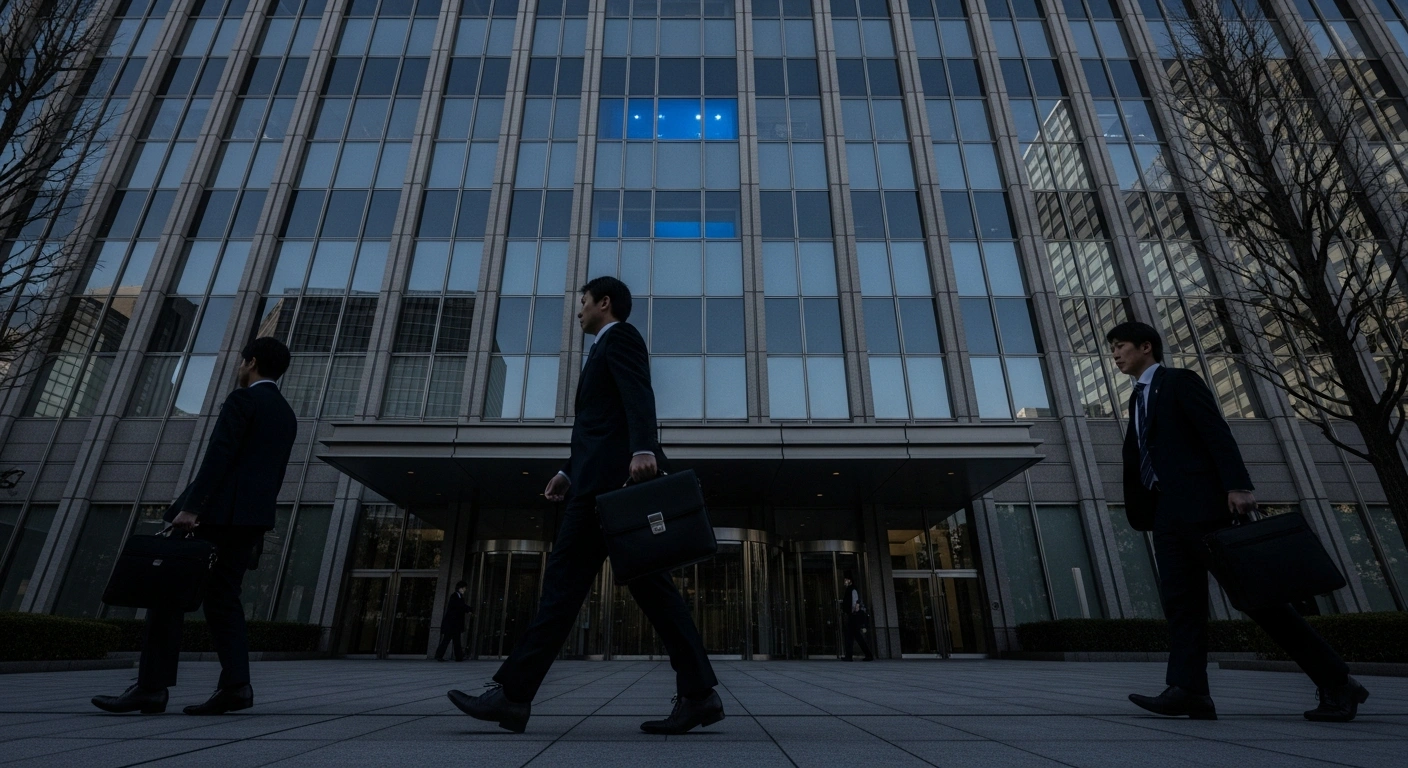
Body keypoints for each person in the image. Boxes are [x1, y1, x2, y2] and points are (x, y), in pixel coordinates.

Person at [447, 276, 721, 735]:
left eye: (583, 302)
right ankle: (699, 695)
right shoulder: (599, 349)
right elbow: (598, 426)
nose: (578, 311)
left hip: (610, 493)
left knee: (564, 593)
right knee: (649, 594)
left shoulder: (622, 338)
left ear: (604, 303)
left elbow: (638, 395)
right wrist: (568, 472)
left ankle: (513, 697)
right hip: (595, 484)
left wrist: (644, 449)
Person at [1108, 321, 1368, 722]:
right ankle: (1189, 689)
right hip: (1166, 513)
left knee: (1260, 601)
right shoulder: (1136, 398)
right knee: (1181, 605)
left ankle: (1338, 682)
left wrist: (1238, 485)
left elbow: (1215, 432)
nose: (1115, 354)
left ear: (1147, 346)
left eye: (1121, 346)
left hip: (1204, 508)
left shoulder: (1179, 382)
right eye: (1112, 348)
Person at [92, 337, 297, 716]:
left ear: (251, 363)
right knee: (224, 600)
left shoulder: (243, 400)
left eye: (242, 362)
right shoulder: (285, 412)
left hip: (214, 515)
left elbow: (219, 456)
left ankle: (151, 688)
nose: (240, 368)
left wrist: (192, 508)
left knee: (167, 594)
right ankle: (237, 686)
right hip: (250, 521)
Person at [841, 573, 873, 662]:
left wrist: (853, 611)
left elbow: (855, 601)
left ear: (850, 580)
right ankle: (866, 654)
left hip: (853, 615)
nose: (844, 582)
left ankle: (850, 656)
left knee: (851, 636)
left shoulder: (852, 589)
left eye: (846, 580)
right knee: (855, 636)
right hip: (852, 615)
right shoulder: (850, 589)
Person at [436, 581, 470, 662]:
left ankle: (458, 657)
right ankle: (455, 656)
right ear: (460, 588)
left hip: (454, 624)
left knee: (454, 640)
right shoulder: (455, 596)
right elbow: (459, 607)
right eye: (464, 588)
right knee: (450, 640)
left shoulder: (459, 596)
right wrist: (468, 609)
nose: (465, 590)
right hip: (452, 623)